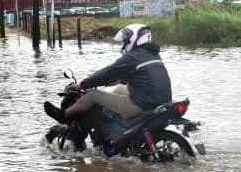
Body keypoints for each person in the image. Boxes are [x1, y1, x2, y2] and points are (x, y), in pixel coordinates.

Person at [44, 23, 172, 124]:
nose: (124, 45)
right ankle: (112, 120)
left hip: (142, 105)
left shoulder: (132, 58)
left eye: (126, 41)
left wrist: (82, 84)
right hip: (161, 102)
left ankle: (63, 115)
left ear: (134, 40)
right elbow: (136, 77)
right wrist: (113, 81)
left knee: (93, 95)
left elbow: (107, 73)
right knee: (120, 88)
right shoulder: (152, 55)